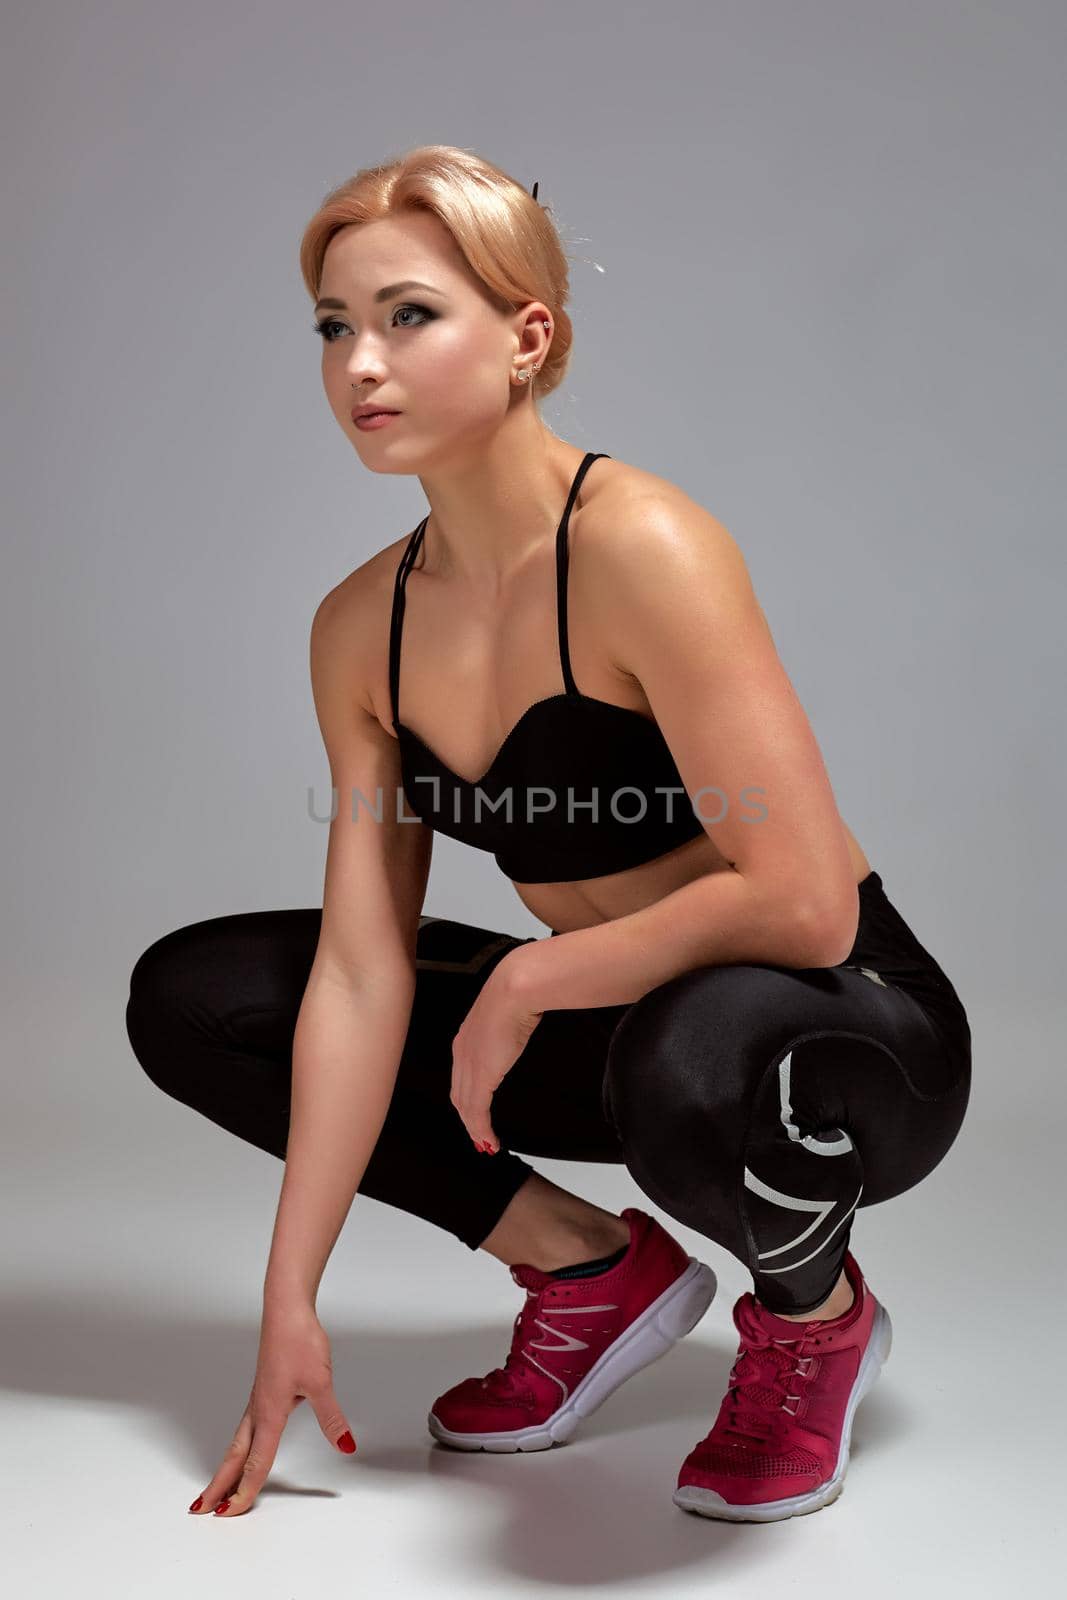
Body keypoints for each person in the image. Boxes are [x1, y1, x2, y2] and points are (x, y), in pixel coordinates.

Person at [124, 145, 971, 1526]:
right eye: (335, 327)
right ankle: (590, 1272)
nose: (359, 365)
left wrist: (528, 977)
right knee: (202, 1000)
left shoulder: (646, 546)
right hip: (621, 1031)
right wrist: (291, 1300)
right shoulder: (360, 628)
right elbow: (357, 970)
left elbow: (807, 902)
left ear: (527, 338)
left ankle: (815, 1319)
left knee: (686, 1046)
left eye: (409, 315)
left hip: (845, 1030)